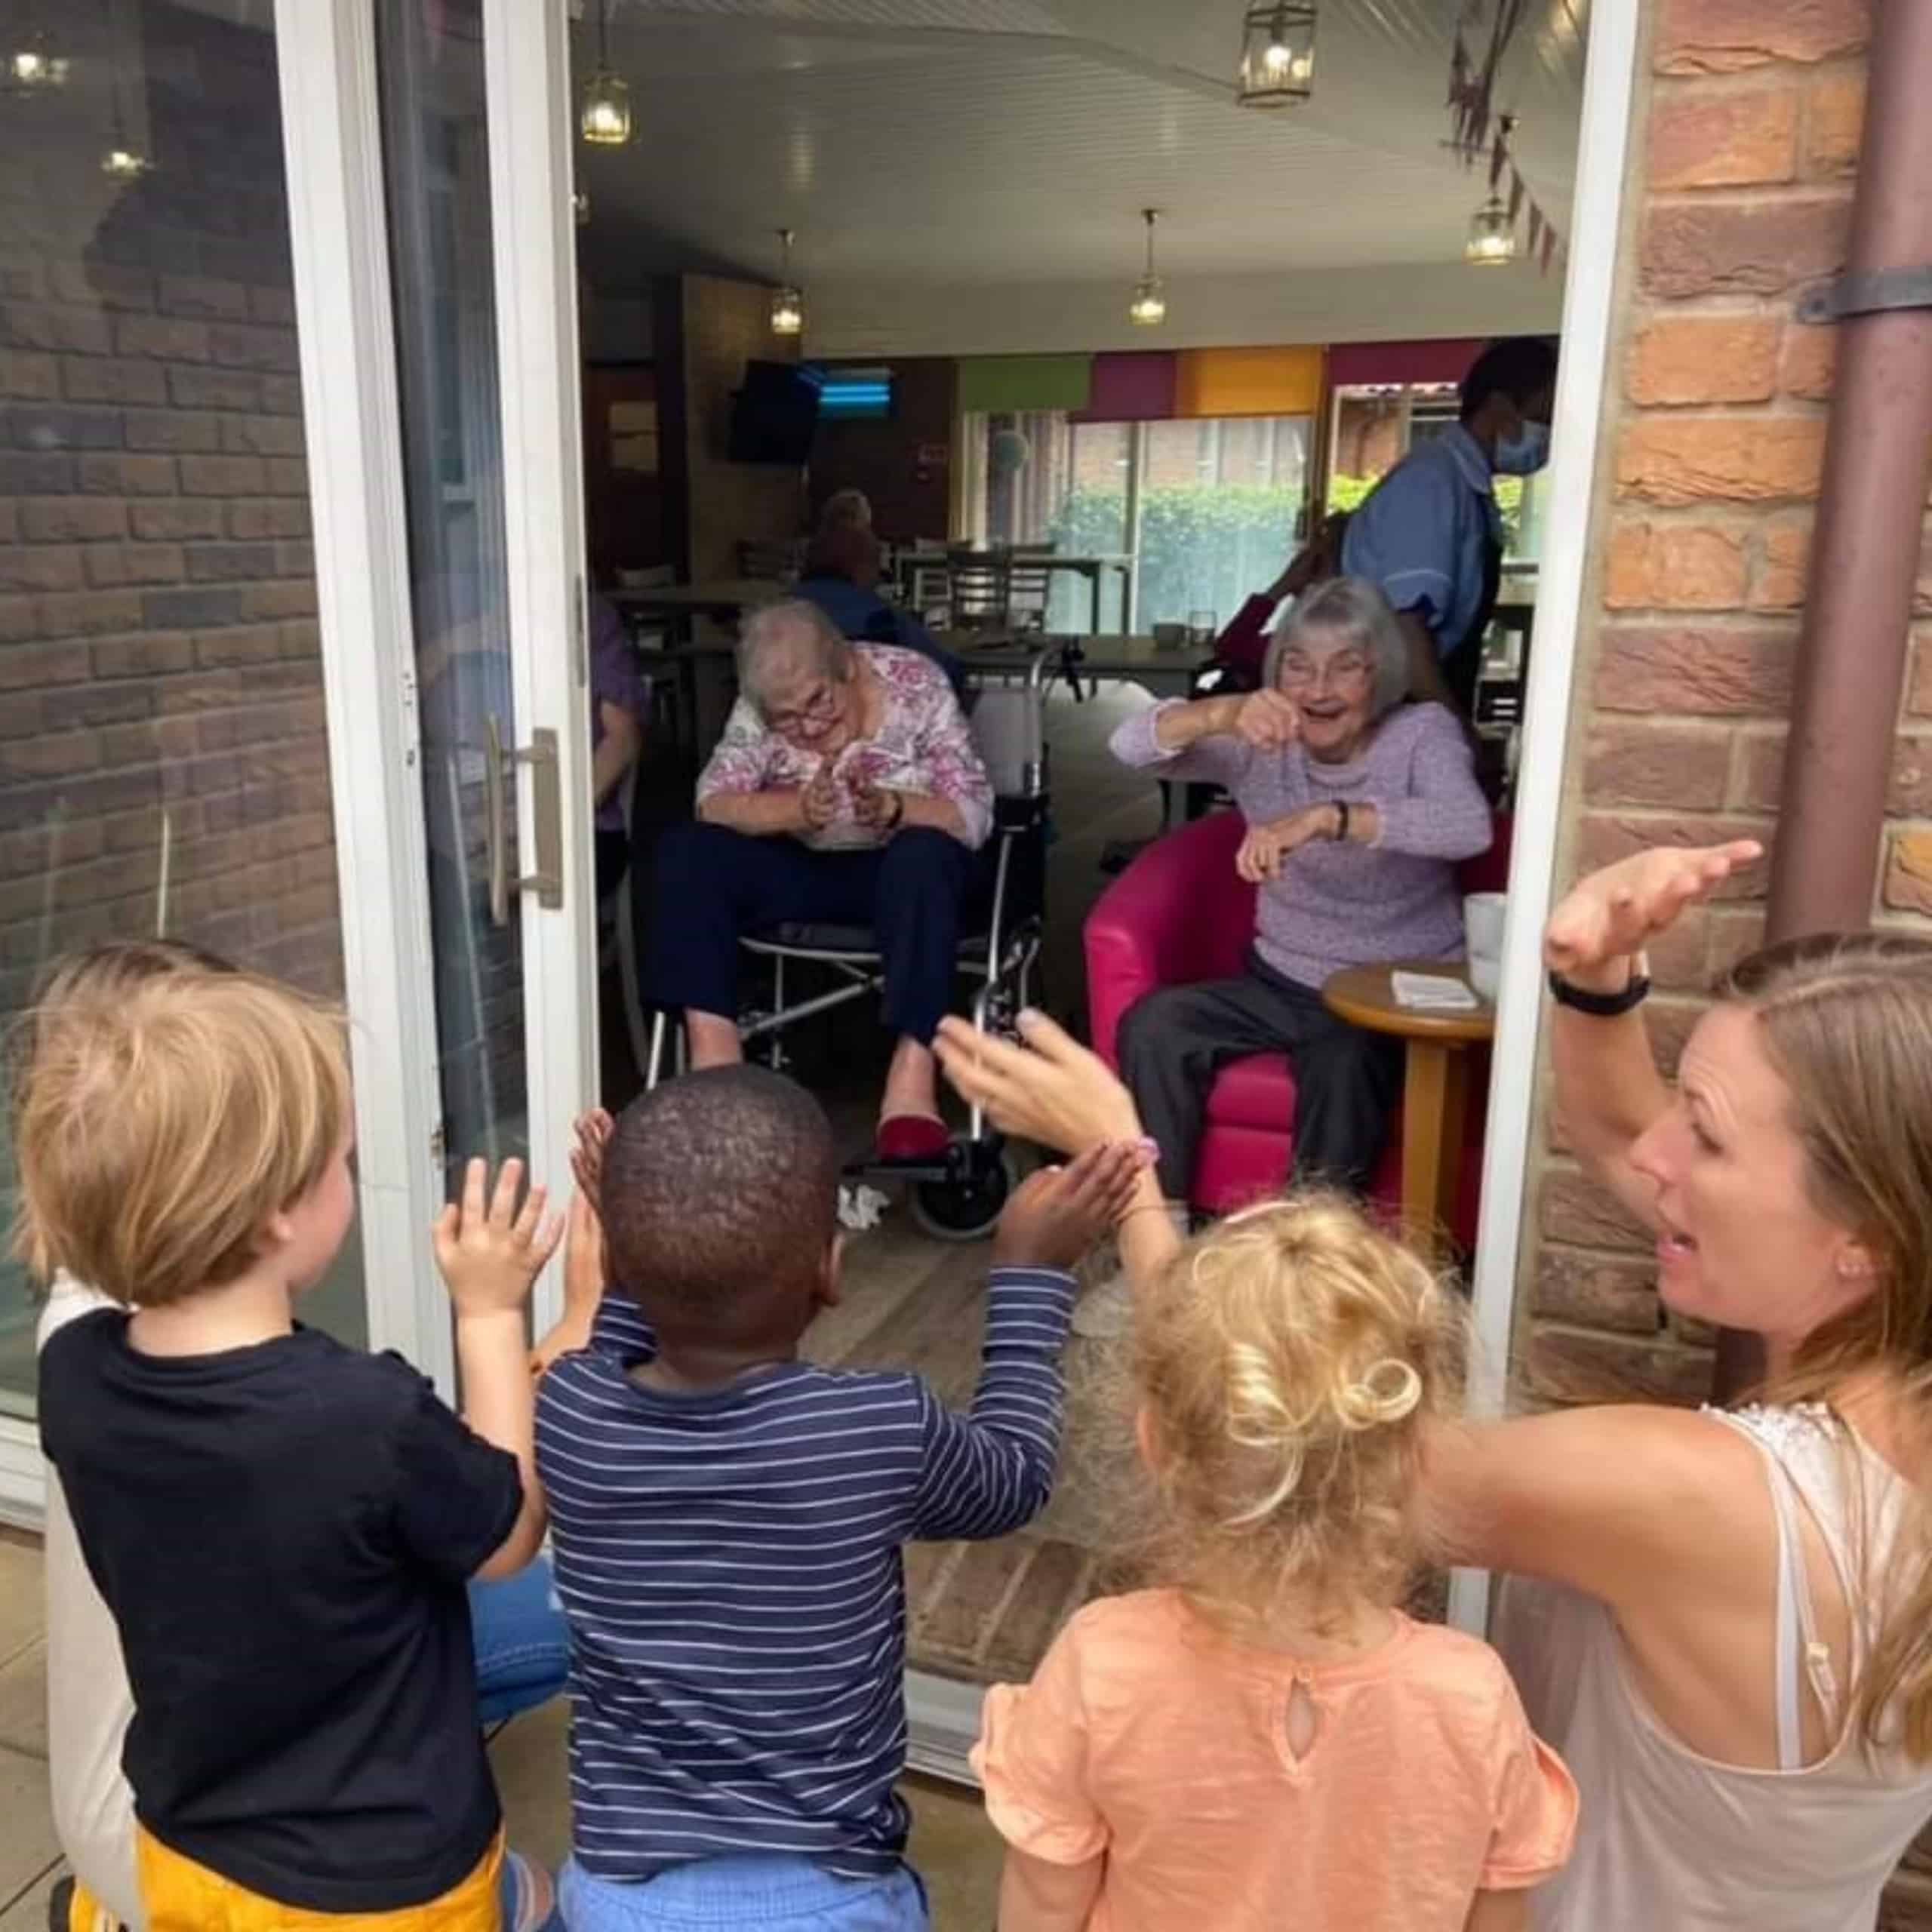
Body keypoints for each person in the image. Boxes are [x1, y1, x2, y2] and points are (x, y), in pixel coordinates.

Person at [934, 833, 1932, 1932]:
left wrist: (1126, 1162)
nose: (1654, 1160)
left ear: (1867, 1235)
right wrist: (1595, 986)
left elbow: (1280, 1441)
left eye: (1704, 1135)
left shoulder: (1704, 1499)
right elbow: (1618, 1134)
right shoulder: (1893, 1397)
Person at [20, 941, 583, 1932]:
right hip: (384, 1891)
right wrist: (494, 1319)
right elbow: (505, 1538)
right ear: (281, 1215)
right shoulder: (364, 1416)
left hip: (188, 1847)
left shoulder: (75, 1373)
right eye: (341, 1161)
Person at [534, 1067, 1142, 1930]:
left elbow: (613, 1351)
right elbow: (1011, 1475)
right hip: (823, 1895)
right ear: (829, 1269)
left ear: (615, 1262)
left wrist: (634, 1242)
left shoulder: (569, 1410)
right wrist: (1029, 1269)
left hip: (616, 1896)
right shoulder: (867, 1430)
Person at [973, 1192, 1577, 1931]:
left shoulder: (1103, 1665)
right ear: (1417, 1454)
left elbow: (1040, 1911)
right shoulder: (1470, 1697)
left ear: (1154, 1441)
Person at [1108, 575, 1491, 1210]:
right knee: (1155, 1025)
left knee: (1343, 1064)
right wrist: (1220, 713)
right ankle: (1157, 1234)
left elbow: (1467, 825)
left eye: (1346, 669)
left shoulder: (1421, 732)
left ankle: (1309, 1255)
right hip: (1280, 980)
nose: (1318, 690)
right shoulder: (1261, 738)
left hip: (1384, 991)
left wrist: (1329, 817)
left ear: (1383, 673)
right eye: (1298, 667)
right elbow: (1126, 748)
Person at [645, 599, 993, 1161]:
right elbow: (712, 803)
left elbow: (974, 814)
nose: (808, 726)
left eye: (818, 702)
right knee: (686, 852)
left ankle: (911, 1082)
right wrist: (794, 812)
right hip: (805, 867)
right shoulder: (761, 701)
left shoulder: (916, 685)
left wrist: (897, 807)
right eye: (787, 718)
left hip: (902, 877)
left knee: (923, 857)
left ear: (847, 666)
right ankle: (719, 1077)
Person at [1340, 336, 1558, 715]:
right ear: (1501, 409)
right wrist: (1453, 736)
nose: (1550, 435)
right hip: (1393, 711)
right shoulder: (1431, 484)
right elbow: (1406, 630)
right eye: (1544, 418)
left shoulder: (1465, 486)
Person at [795, 518, 966, 695]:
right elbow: (945, 672)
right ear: (859, 565)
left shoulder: (778, 612)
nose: (879, 576)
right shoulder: (880, 616)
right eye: (876, 563)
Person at [588, 591, 651, 900]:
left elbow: (623, 739)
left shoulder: (587, 614)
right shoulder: (435, 593)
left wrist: (567, 818)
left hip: (583, 824)